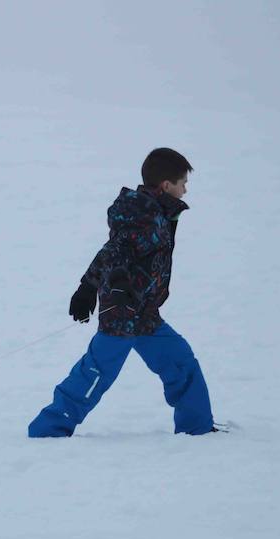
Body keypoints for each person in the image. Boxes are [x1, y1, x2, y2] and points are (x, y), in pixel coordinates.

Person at [28, 148, 217, 437]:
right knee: (96, 373)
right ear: (166, 185)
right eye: (182, 183)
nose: (186, 189)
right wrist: (88, 288)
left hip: (144, 313)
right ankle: (49, 429)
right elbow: (113, 251)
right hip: (122, 313)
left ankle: (197, 428)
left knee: (180, 362)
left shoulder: (157, 213)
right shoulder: (145, 218)